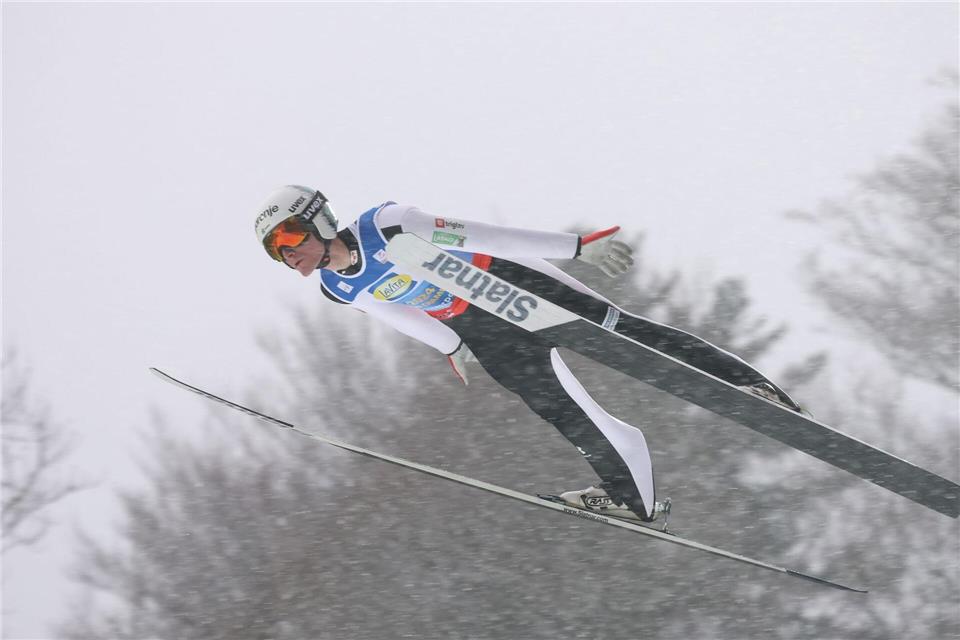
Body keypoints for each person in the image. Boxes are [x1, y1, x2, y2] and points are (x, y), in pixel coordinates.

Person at [254, 185, 804, 522]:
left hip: (511, 284)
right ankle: (631, 494)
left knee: (630, 338)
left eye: (290, 239)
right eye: (278, 254)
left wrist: (577, 248)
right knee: (560, 409)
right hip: (477, 327)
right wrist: (452, 346)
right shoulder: (338, 288)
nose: (291, 257)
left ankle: (750, 388)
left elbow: (488, 236)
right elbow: (394, 312)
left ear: (318, 219)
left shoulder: (388, 225)